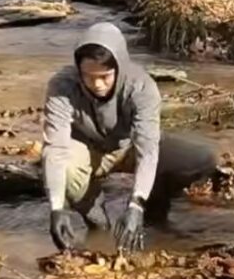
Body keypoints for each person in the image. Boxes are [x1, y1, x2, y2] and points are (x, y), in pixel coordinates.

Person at [41, 22, 218, 253]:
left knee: (201, 158)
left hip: (129, 148)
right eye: (88, 76)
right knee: (61, 168)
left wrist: (136, 204)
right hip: (86, 150)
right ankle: (97, 219)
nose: (97, 84)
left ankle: (154, 204)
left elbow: (148, 149)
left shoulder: (141, 87)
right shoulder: (61, 86)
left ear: (119, 67)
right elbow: (55, 148)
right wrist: (56, 209)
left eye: (105, 76)